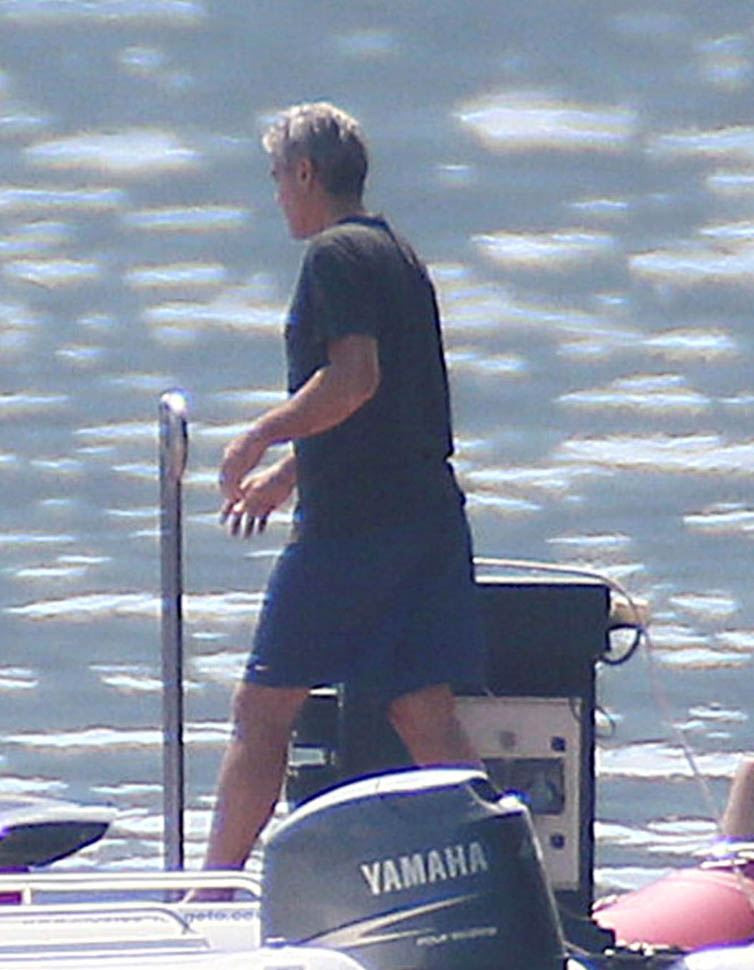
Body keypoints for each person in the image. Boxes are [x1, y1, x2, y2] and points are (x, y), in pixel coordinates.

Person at [197, 102, 485, 894]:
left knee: (263, 711)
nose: (276, 195)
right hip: (428, 518)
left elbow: (354, 380)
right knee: (422, 712)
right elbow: (386, 407)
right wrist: (290, 475)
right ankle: (504, 871)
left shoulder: (333, 256)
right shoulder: (397, 254)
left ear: (305, 173)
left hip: (355, 532)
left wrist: (259, 436)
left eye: (277, 178)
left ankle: (208, 896)